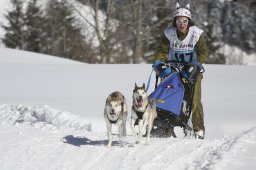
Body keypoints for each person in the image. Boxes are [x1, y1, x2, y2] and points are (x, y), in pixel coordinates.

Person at [154, 3, 208, 139]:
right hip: (173, 69)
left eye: (185, 21)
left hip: (192, 70)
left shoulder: (196, 33)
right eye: (179, 21)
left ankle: (198, 127)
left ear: (189, 22)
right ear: (175, 22)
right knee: (165, 94)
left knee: (194, 98)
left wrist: (195, 65)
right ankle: (164, 126)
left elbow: (203, 52)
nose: (182, 24)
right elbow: (162, 51)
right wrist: (159, 63)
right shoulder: (169, 34)